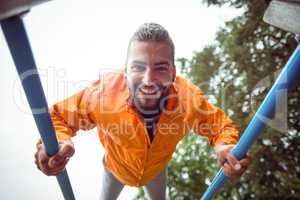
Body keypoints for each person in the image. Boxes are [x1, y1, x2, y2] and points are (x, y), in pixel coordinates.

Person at [34, 23, 251, 200]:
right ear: (125, 71)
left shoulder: (187, 99)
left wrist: (225, 146)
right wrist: (58, 141)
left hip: (156, 171)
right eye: (138, 67)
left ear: (173, 73)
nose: (148, 80)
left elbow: (220, 126)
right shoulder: (102, 95)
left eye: (160, 68)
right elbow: (58, 115)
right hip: (115, 168)